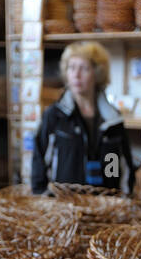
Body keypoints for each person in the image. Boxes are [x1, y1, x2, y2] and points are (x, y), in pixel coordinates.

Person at [31, 41, 134, 195]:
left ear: (97, 73)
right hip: (64, 206)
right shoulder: (55, 116)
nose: (76, 75)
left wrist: (120, 198)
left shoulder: (112, 119)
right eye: (71, 68)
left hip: (105, 206)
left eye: (84, 68)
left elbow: (121, 165)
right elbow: (40, 161)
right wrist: (42, 197)